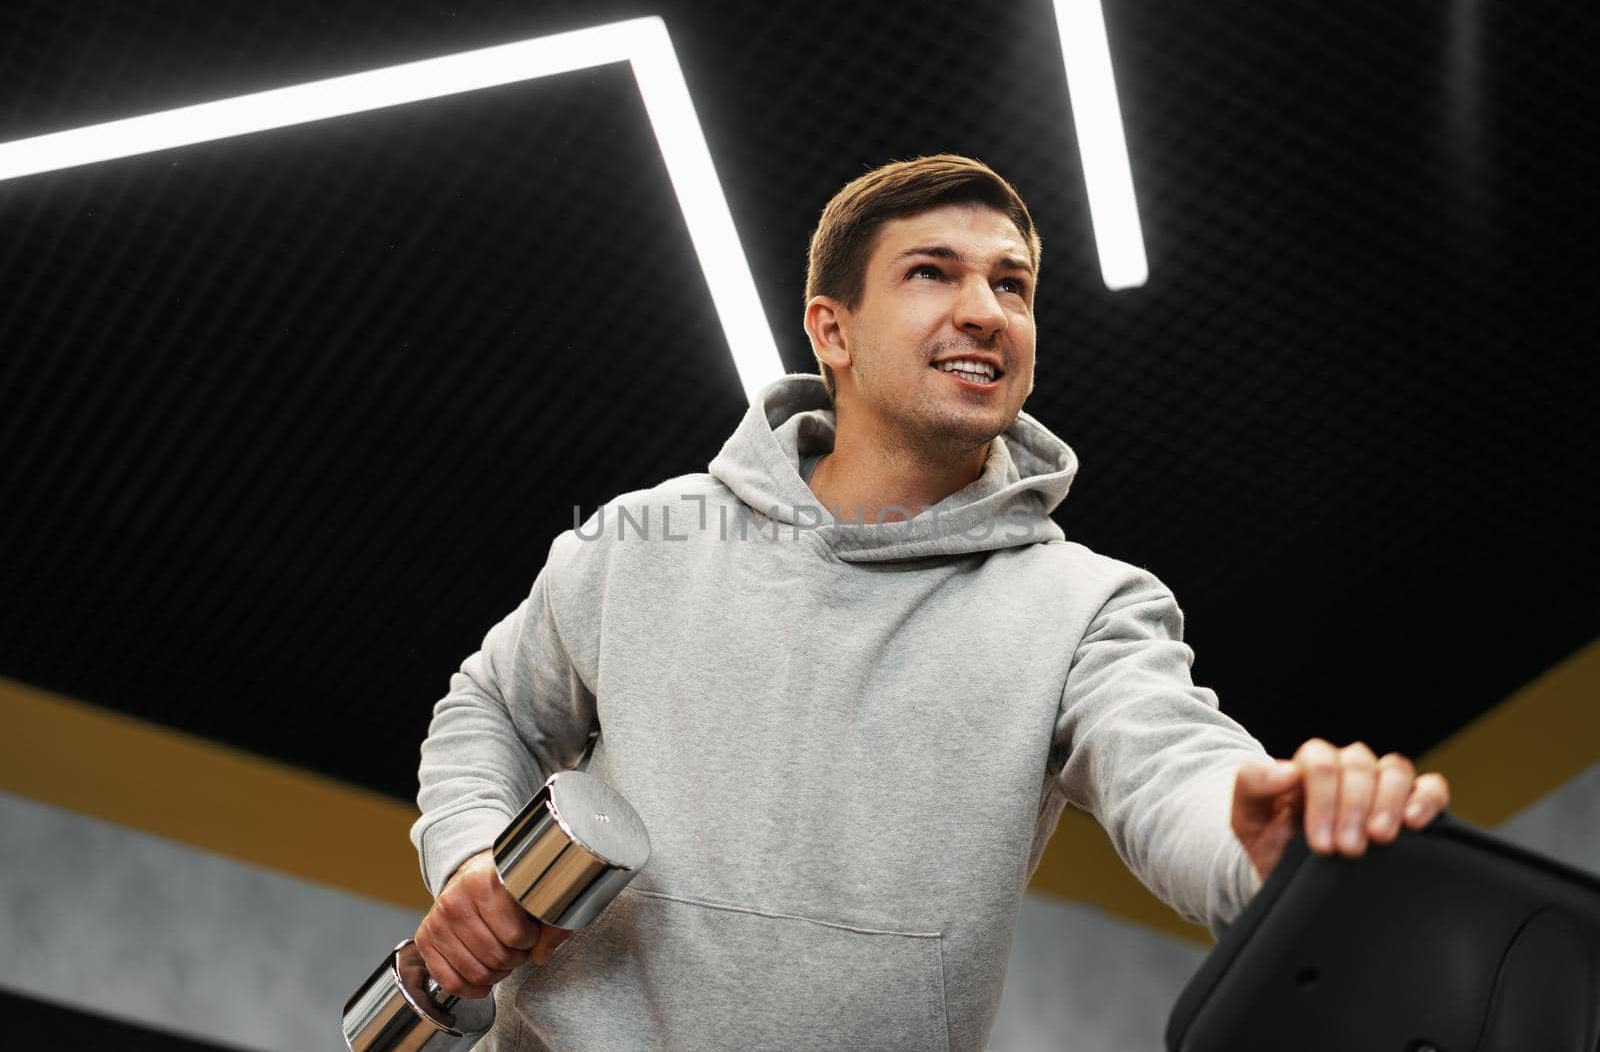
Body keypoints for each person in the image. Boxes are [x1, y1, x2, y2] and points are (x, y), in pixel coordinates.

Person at [408, 155, 1451, 1050]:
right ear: (833, 330)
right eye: (931, 273)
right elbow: (489, 709)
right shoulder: (646, 535)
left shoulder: (1084, 604)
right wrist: (469, 858)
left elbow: (1173, 767)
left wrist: (1252, 849)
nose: (984, 310)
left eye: (1013, 284)